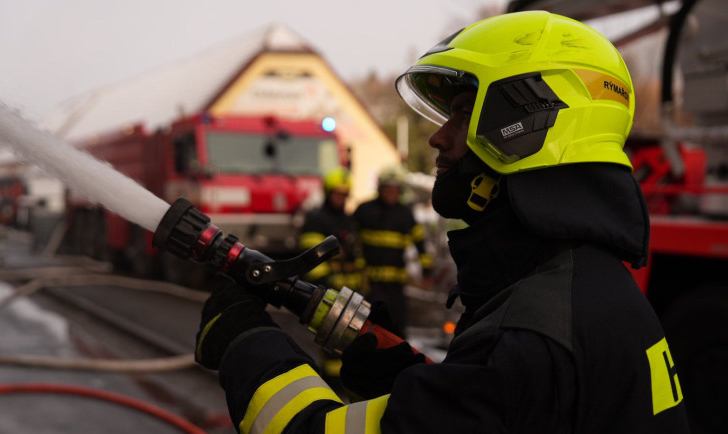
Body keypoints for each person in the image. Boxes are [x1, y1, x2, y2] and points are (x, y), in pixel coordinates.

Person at [193, 11, 690, 433]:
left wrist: (248, 344)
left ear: (528, 122)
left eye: (463, 114)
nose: (438, 138)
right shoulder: (583, 287)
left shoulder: (527, 338)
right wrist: (400, 370)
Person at [352, 165, 432, 334]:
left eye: (395, 190)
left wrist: (427, 271)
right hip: (370, 285)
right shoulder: (365, 211)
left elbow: (421, 244)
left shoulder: (405, 214)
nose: (392, 194)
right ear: (380, 189)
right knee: (369, 329)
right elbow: (350, 242)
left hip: (396, 286)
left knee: (397, 329)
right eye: (388, 190)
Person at [299, 167, 362, 292]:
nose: (341, 198)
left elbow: (357, 255)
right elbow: (312, 258)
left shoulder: (349, 220)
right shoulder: (315, 219)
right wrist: (327, 283)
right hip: (323, 289)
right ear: (328, 192)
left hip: (350, 291)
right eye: (337, 193)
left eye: (344, 194)